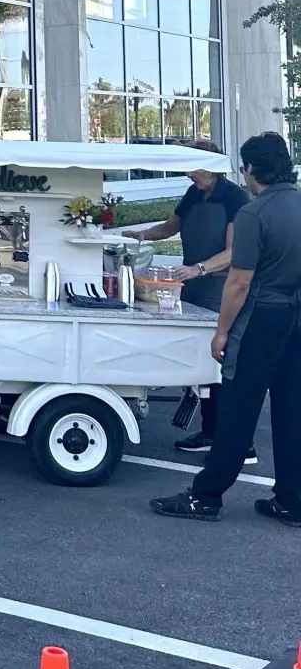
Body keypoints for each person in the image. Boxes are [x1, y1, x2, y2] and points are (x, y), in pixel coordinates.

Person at [151, 132, 301, 526]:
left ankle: (207, 496)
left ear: (251, 169)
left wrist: (221, 332)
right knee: (290, 410)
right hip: (295, 315)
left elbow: (239, 281)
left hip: (260, 316)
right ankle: (291, 500)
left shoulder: (254, 212)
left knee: (238, 407)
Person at [126, 140, 254, 459]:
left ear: (210, 164)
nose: (188, 175)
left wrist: (198, 268)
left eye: (192, 168)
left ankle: (239, 442)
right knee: (203, 361)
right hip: (193, 287)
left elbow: (233, 252)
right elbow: (170, 228)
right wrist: (136, 236)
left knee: (224, 363)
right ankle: (212, 432)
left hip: (222, 289)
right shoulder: (194, 193)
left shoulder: (235, 198)